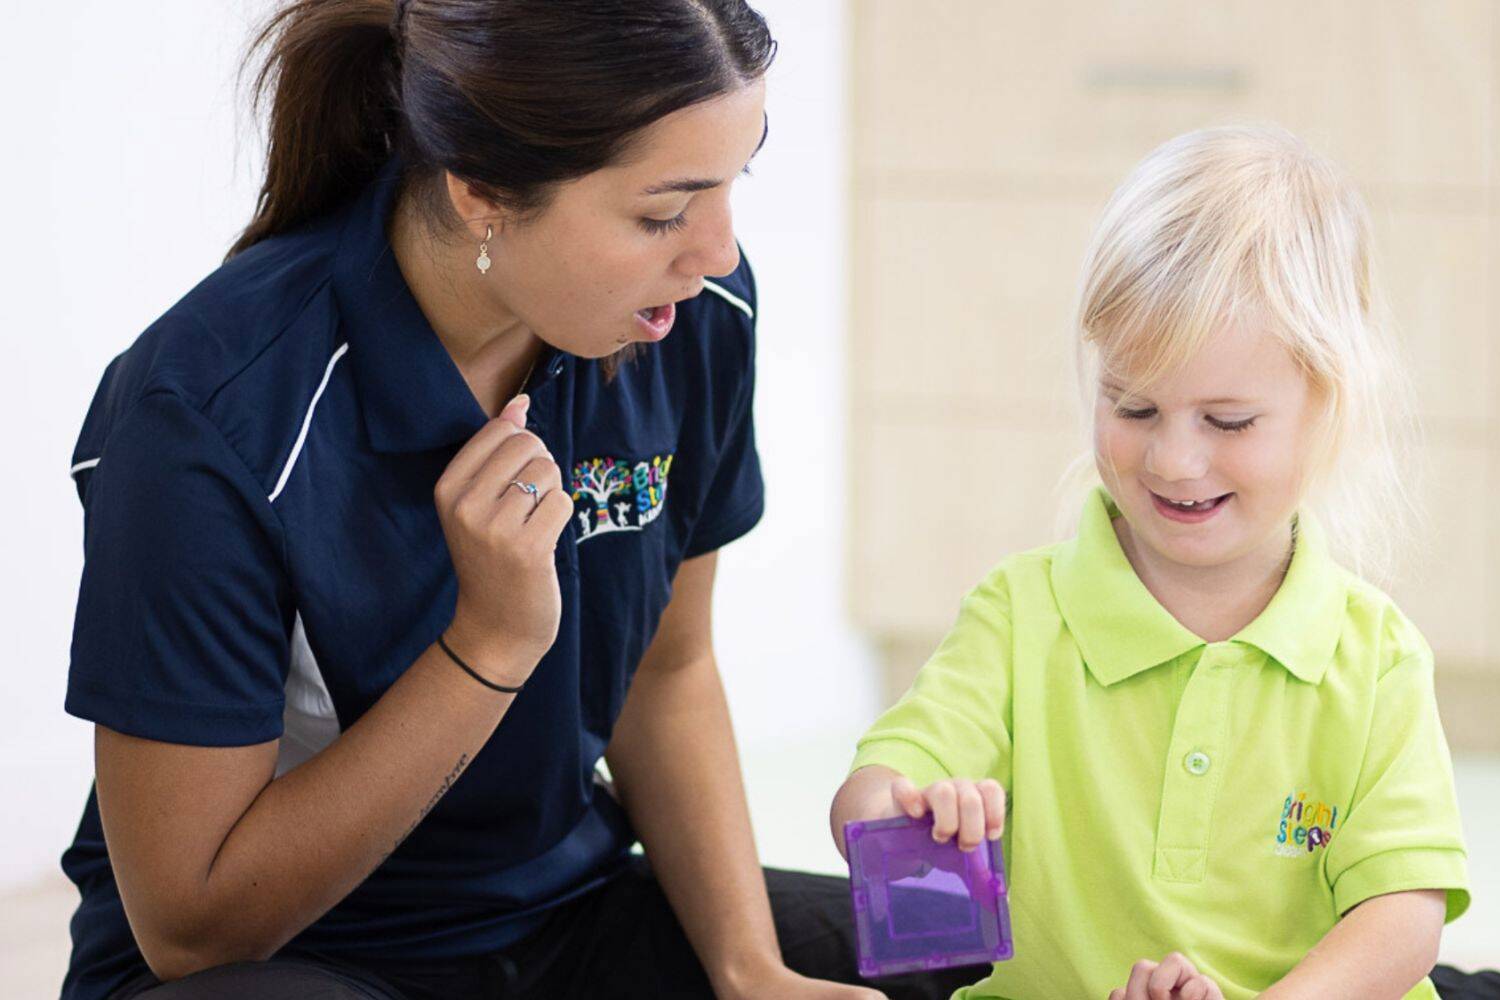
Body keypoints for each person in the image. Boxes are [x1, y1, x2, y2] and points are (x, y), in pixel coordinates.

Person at [58, 2, 975, 997]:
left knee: (962, 931)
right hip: (295, 957)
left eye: (732, 182)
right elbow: (191, 929)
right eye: (663, 212)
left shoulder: (693, 315)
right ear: (482, 194)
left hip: (564, 910)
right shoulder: (206, 413)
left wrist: (749, 969)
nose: (716, 251)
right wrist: (486, 647)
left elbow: (669, 669)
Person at [829, 125, 1473, 999]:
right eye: (1134, 407)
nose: (1173, 460)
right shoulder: (1021, 612)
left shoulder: (1377, 655)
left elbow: (1403, 913)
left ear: (1328, 407)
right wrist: (902, 814)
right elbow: (878, 789)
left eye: (1228, 421)